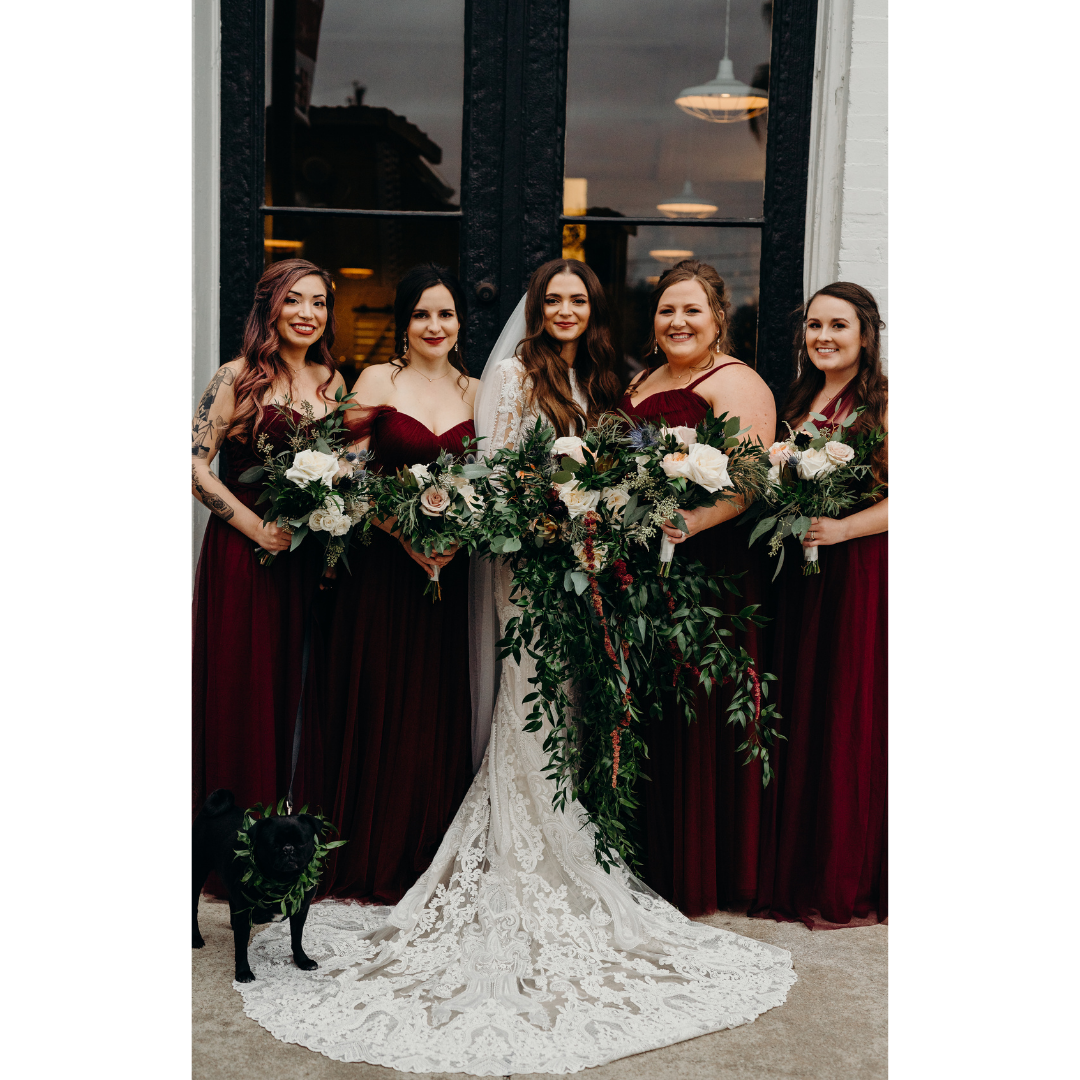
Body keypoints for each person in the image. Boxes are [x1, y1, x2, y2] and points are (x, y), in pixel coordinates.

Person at [234, 258, 796, 1075]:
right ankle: (524, 842)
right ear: (534, 310)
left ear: (594, 309)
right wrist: (554, 520)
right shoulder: (510, 376)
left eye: (579, 298)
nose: (566, 309)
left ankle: (579, 836)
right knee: (532, 701)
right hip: (529, 570)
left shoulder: (607, 378)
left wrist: (604, 516)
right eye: (553, 299)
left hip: (592, 569)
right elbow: (497, 477)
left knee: (580, 710)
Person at [318, 264, 480, 904]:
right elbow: (347, 471)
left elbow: (496, 479)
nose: (434, 326)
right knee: (381, 694)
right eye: (421, 315)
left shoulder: (479, 390)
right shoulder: (377, 380)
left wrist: (458, 535)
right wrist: (402, 531)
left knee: (439, 704)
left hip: (454, 570)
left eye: (445, 313)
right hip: (386, 568)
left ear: (461, 321)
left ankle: (428, 851)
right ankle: (372, 852)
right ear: (403, 323)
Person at [618, 259, 776, 916]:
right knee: (643, 703)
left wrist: (692, 521)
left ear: (718, 318)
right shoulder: (641, 378)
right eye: (667, 310)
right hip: (637, 567)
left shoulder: (736, 381)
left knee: (693, 708)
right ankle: (639, 855)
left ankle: (693, 868)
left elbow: (752, 481)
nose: (677, 322)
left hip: (704, 572)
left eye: (692, 310)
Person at [751, 281, 888, 930]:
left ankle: (840, 873)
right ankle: (796, 863)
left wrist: (841, 529)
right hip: (801, 574)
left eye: (838, 326)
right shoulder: (800, 400)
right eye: (814, 326)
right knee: (803, 707)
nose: (823, 337)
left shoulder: (884, 404)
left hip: (854, 570)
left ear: (865, 334)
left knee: (843, 708)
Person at [192, 258, 345, 821]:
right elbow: (194, 467)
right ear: (270, 307)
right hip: (245, 549)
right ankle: (234, 832)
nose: (307, 313)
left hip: (306, 557)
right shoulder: (236, 376)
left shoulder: (333, 382)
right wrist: (256, 528)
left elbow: (341, 468)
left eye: (319, 302)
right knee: (244, 686)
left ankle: (287, 832)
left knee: (297, 687)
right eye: (294, 299)